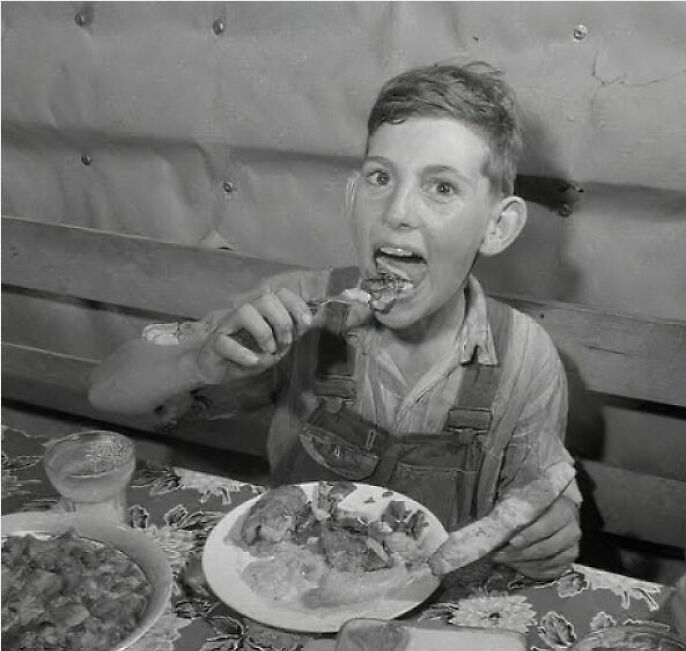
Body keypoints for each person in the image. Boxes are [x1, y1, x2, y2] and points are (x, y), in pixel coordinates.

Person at [89, 61, 581, 580]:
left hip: (442, 602)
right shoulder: (298, 305)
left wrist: (553, 532)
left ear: (498, 226)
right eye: (379, 177)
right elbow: (105, 390)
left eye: (441, 188)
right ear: (352, 194)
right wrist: (199, 361)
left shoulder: (527, 358)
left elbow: (545, 498)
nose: (396, 211)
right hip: (293, 583)